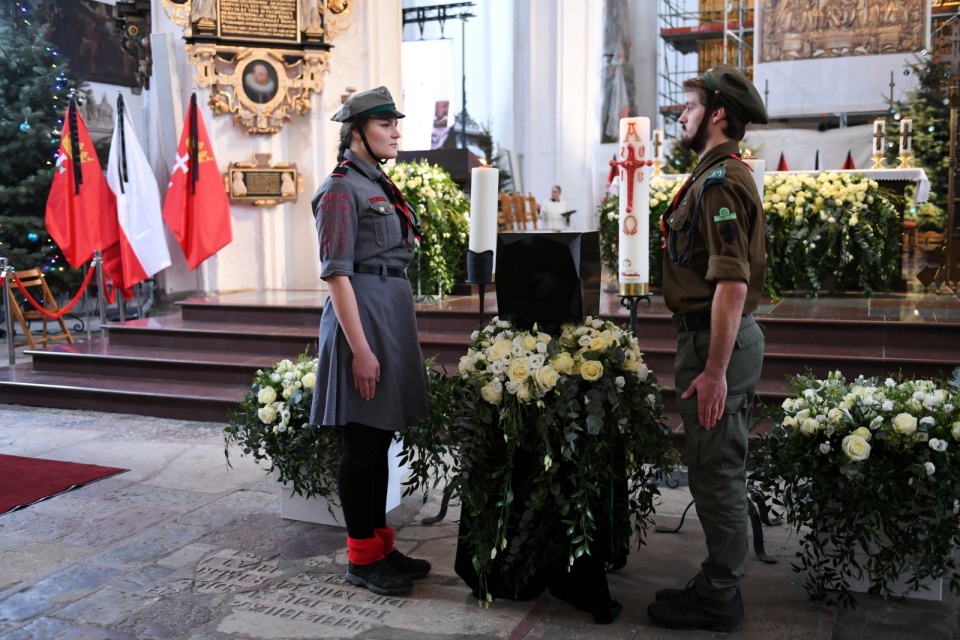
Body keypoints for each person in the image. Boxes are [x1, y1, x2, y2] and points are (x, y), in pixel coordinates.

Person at [647, 64, 768, 633]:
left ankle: (721, 594)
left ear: (717, 112)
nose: (681, 112)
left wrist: (715, 371)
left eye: (690, 104)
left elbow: (732, 284)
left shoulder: (720, 181)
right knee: (711, 467)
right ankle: (719, 580)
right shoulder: (713, 174)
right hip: (707, 337)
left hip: (716, 340)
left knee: (717, 472)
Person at [310, 86, 430, 597]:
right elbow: (337, 274)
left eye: (396, 123)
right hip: (361, 315)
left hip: (389, 309)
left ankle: (381, 545)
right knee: (361, 442)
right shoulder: (341, 188)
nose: (396, 132)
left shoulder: (375, 181)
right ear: (357, 132)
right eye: (386, 125)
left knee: (379, 438)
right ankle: (361, 557)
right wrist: (360, 349)